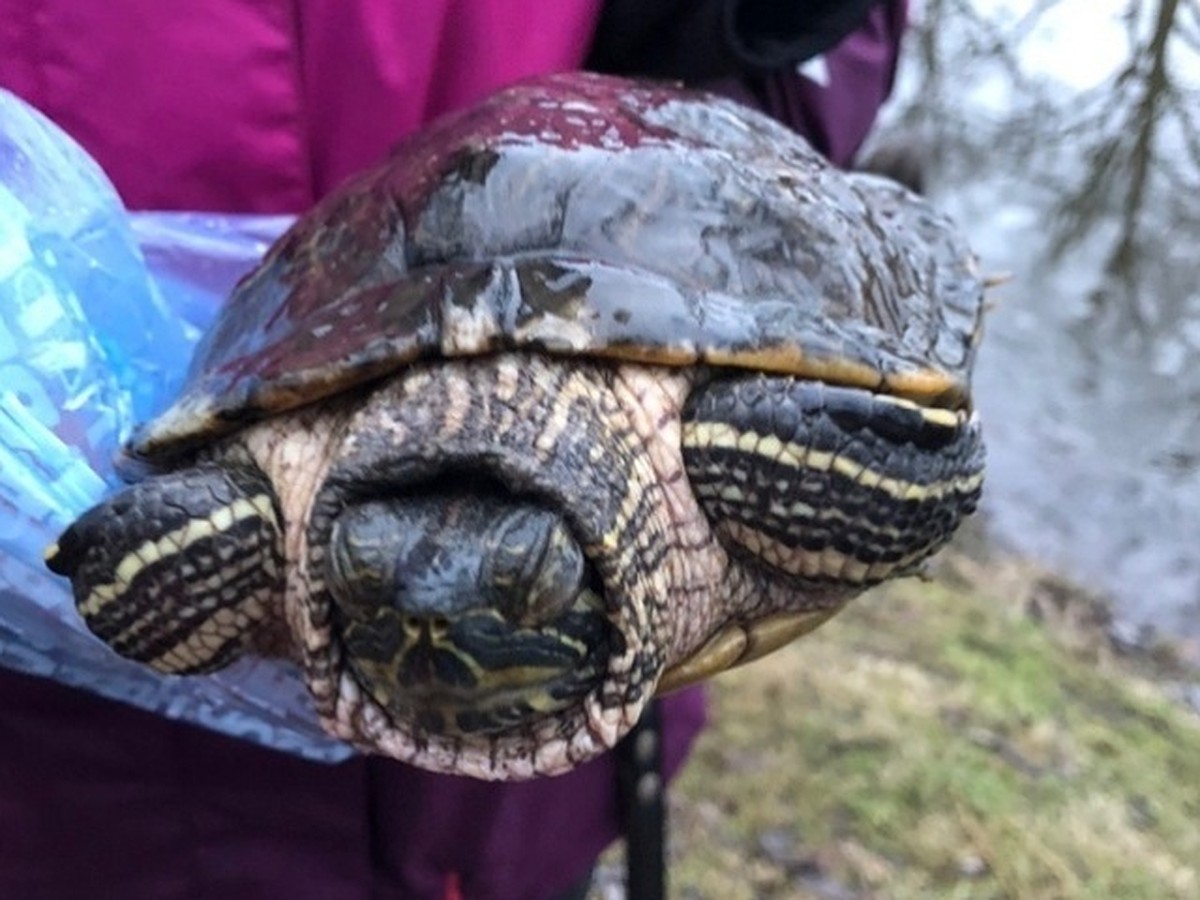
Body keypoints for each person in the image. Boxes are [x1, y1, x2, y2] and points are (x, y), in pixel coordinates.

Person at [0, 2, 909, 897]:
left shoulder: (688, 450)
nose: (430, 626)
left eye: (521, 586)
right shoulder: (290, 493)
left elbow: (810, 106)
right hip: (76, 801)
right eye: (364, 576)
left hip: (500, 835)